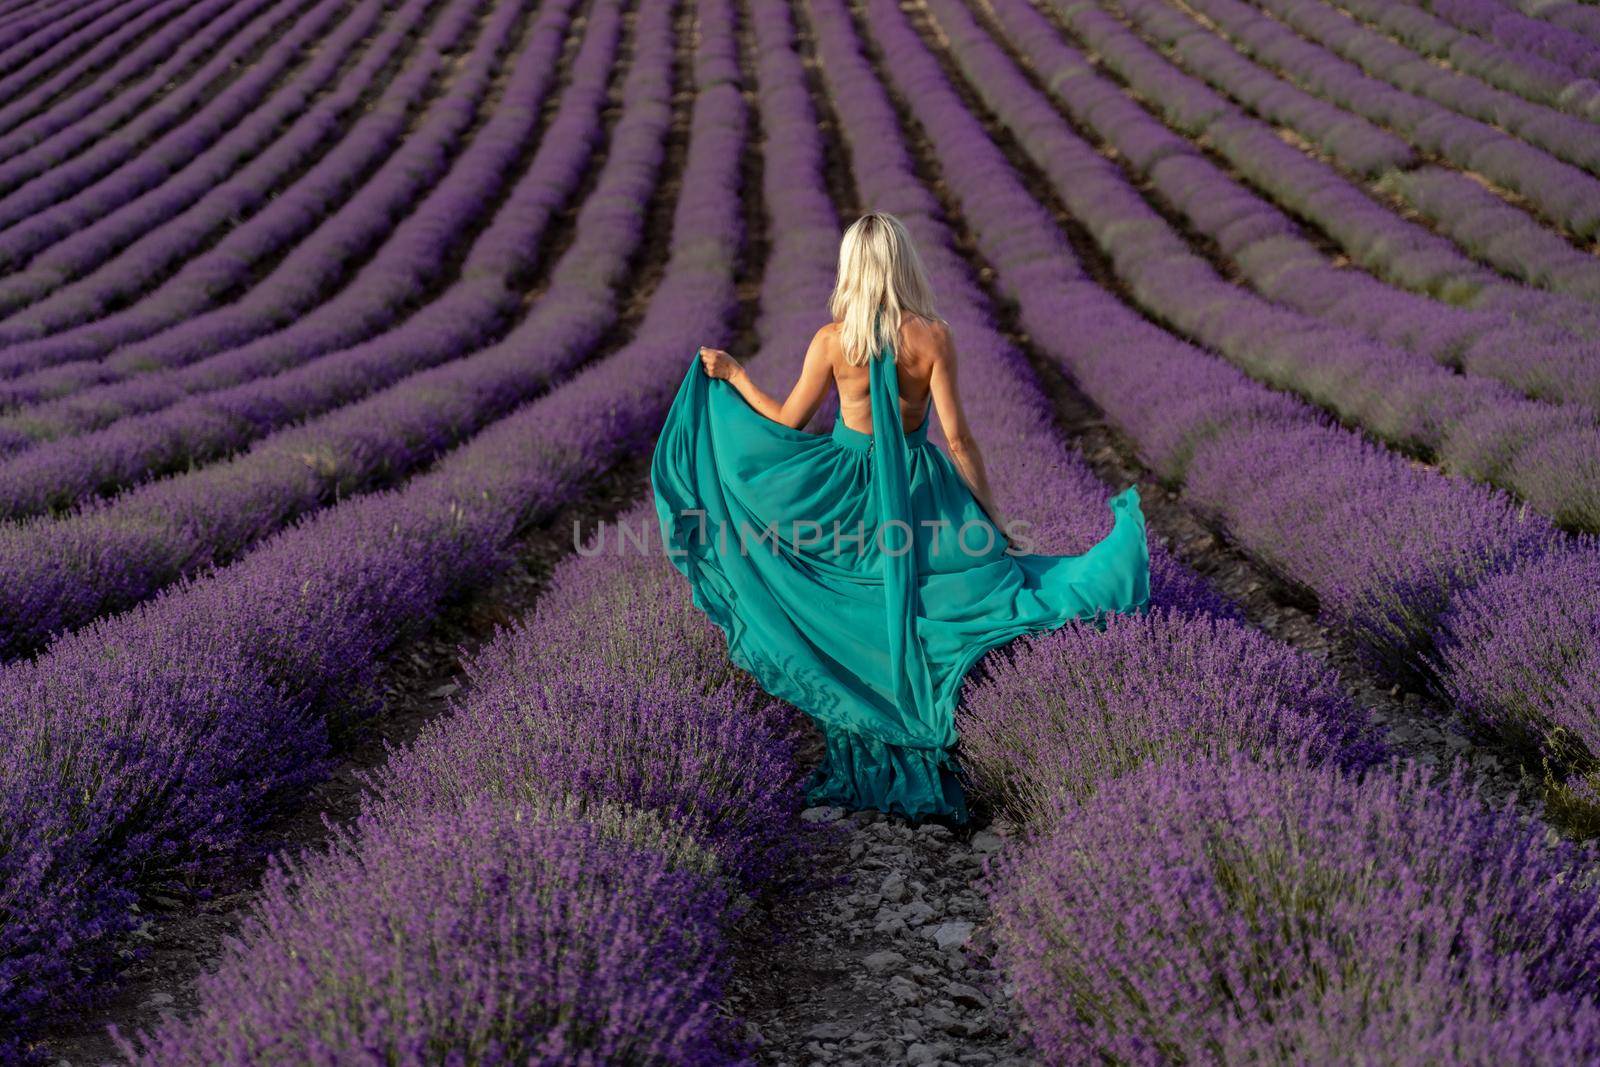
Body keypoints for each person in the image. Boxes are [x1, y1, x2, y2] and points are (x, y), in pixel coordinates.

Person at [651, 212, 1149, 822]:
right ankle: (953, 741)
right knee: (941, 608)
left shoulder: (834, 341)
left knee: (853, 613)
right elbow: (959, 438)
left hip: (844, 493)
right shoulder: (934, 337)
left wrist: (735, 376)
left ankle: (881, 744)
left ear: (851, 271)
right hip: (918, 487)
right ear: (904, 265)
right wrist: (990, 519)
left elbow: (785, 425)